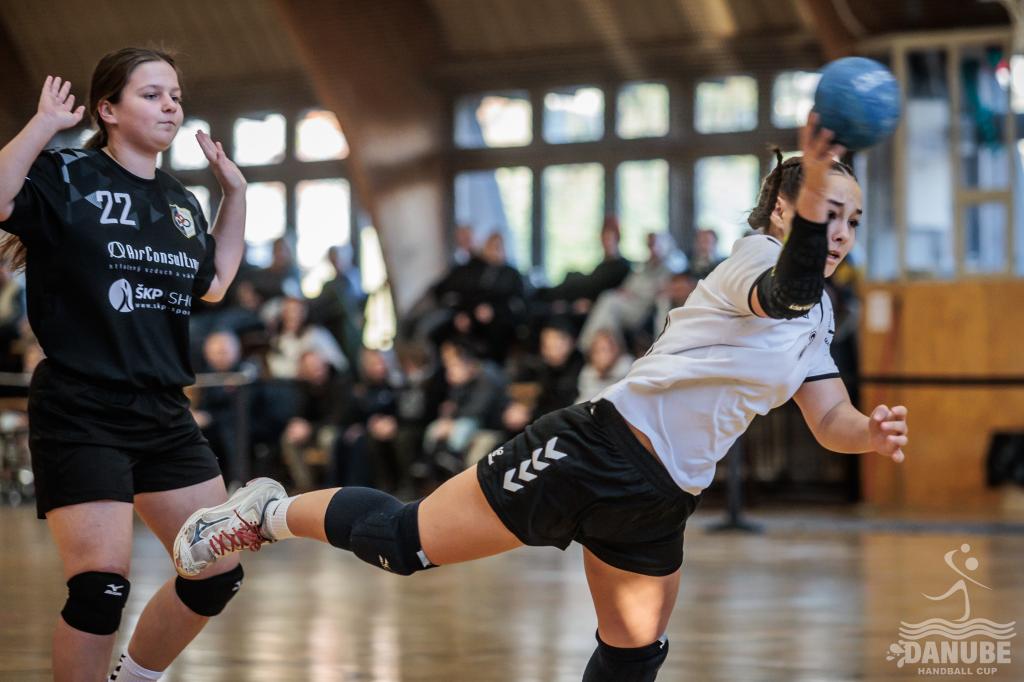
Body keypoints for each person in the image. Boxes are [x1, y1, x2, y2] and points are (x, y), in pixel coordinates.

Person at [172, 118, 909, 681]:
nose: (840, 231)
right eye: (826, 210)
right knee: (402, 542)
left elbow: (828, 417)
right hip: (594, 451)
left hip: (661, 498)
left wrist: (867, 433)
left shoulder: (819, 317)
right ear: (783, 211)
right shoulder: (756, 261)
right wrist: (814, 183)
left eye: (852, 218)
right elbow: (784, 290)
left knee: (633, 658)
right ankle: (264, 513)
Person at [0, 48, 248, 681]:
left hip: (163, 411)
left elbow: (216, 282)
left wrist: (235, 192)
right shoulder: (67, 174)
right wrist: (42, 125)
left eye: (176, 96)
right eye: (152, 94)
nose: (170, 106)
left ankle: (134, 678)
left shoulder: (180, 201)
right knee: (100, 590)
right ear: (107, 110)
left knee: (217, 572)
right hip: (81, 408)